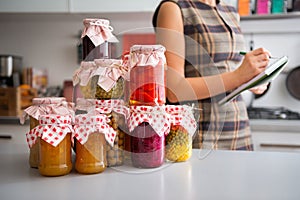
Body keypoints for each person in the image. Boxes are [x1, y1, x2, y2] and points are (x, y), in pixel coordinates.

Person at [152, 0, 271, 150]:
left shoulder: (231, 12)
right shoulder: (174, 8)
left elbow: (230, 71)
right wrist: (239, 76)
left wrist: (252, 81)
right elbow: (175, 90)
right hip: (202, 135)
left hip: (239, 130)